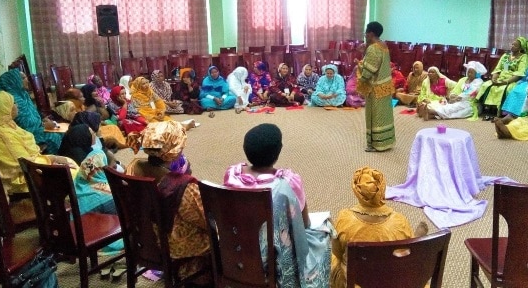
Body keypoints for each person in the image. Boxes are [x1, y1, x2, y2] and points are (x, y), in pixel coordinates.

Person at [223, 123, 331, 287]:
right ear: (279, 150)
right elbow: (305, 224)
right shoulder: (287, 182)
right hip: (272, 260)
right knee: (325, 231)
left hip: (236, 251)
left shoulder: (231, 175)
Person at [125, 121, 211, 283]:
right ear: (175, 150)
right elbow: (207, 221)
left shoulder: (132, 168)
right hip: (173, 248)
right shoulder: (183, 186)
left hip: (141, 241)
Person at [331, 167, 428, 288]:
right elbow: (405, 254)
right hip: (391, 280)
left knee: (332, 255)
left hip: (355, 281)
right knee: (407, 252)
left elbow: (338, 254)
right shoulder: (400, 222)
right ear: (382, 190)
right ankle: (416, 239)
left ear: (357, 192)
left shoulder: (344, 218)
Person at [0, 91, 76, 198]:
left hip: (31, 168)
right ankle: (65, 210)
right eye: (12, 103)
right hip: (25, 180)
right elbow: (23, 163)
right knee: (70, 173)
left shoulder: (8, 127)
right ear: (3, 109)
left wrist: (53, 159)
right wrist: (52, 162)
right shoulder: (1, 136)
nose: (16, 105)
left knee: (69, 163)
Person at [0, 68, 63, 154]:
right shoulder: (12, 100)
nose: (27, 80)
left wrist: (42, 121)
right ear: (14, 81)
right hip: (28, 135)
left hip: (37, 129)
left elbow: (33, 115)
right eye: (23, 78)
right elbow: (23, 126)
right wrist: (43, 126)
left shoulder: (23, 94)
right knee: (53, 137)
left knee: (62, 133)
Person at [58, 123, 118, 215]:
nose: (94, 135)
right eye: (92, 133)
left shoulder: (82, 148)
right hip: (89, 218)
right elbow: (90, 170)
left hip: (76, 209)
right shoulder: (78, 155)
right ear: (83, 136)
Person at [357, 21, 396, 152]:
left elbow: (369, 69)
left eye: (366, 33)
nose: (365, 36)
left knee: (375, 115)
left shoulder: (373, 48)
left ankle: (376, 144)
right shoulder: (383, 45)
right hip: (385, 85)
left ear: (371, 33)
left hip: (375, 88)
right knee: (385, 114)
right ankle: (386, 141)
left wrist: (359, 68)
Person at [477, 37, 528, 119]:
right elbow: (498, 69)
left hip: (513, 79)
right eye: (512, 44)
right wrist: (494, 78)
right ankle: (487, 109)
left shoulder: (524, 57)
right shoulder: (505, 56)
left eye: (515, 46)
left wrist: (505, 82)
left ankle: (503, 111)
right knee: (486, 85)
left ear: (521, 48)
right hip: (501, 78)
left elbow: (520, 73)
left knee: (507, 88)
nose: (512, 46)